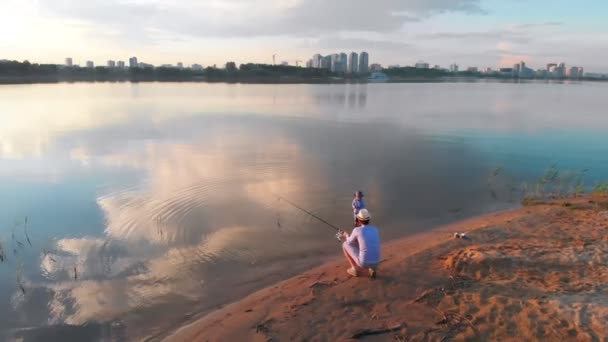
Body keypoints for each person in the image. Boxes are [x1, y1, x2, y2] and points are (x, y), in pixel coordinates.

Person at [342, 209, 381, 278]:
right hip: (377, 262)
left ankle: (354, 269)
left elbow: (349, 242)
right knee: (368, 244)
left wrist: (346, 235)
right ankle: (372, 269)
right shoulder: (375, 229)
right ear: (369, 219)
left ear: (359, 220)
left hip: (363, 263)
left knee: (345, 244)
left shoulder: (357, 230)